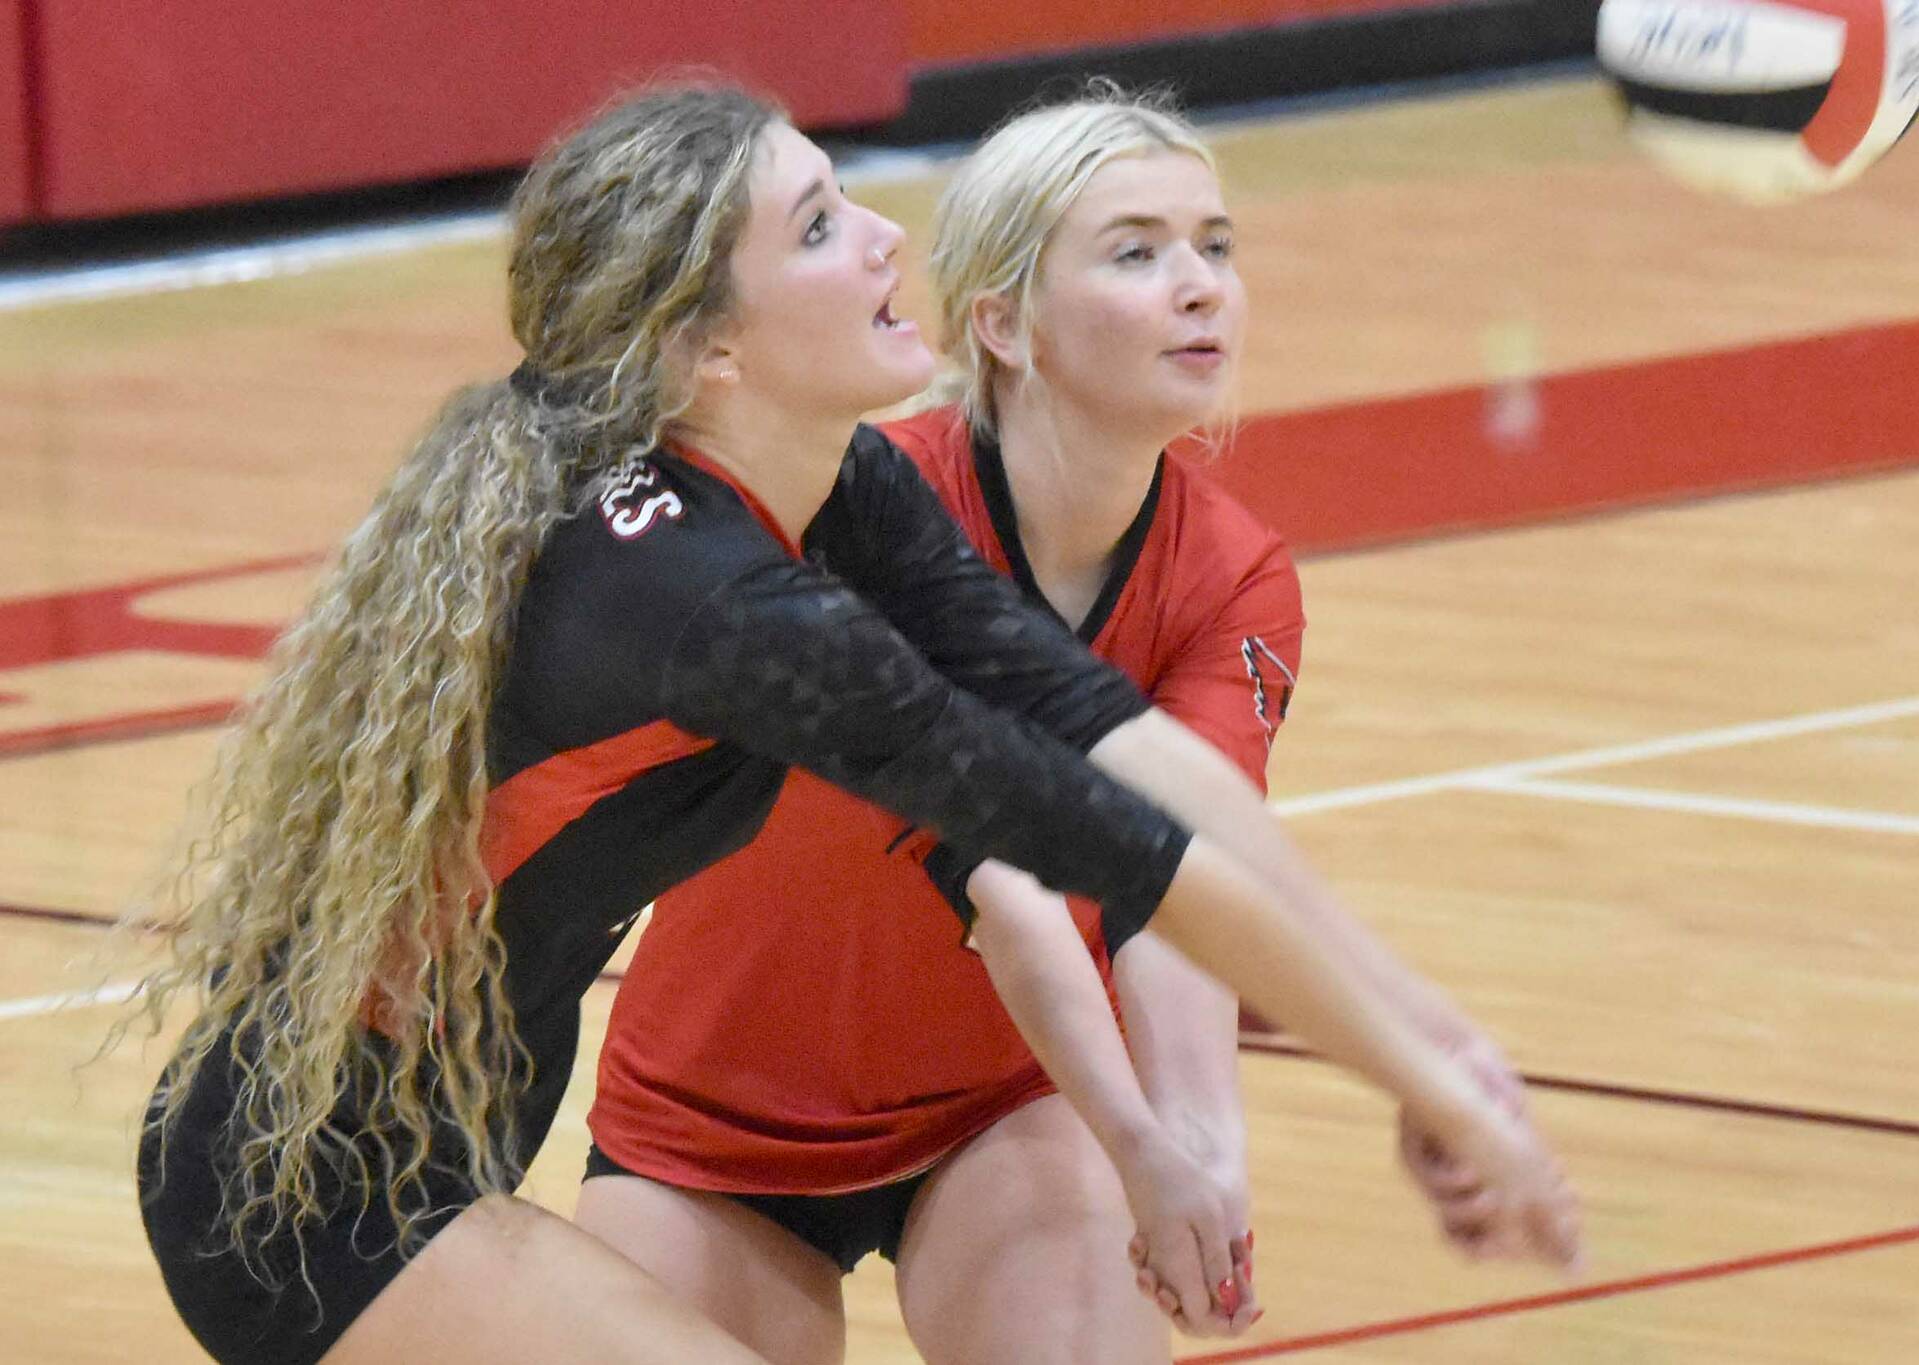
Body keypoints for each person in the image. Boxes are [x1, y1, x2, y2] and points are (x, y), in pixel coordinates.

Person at [124, 83, 1574, 1365]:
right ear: (712, 357)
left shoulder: (835, 492)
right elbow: (1095, 839)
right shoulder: (716, 606)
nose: (887, 239)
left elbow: (1103, 733)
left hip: (441, 1154)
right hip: (303, 1195)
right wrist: (1422, 1077)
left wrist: (1435, 1041)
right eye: (818, 228)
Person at [578, 89, 1566, 1365]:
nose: (1198, 286)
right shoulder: (866, 505)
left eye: (1214, 245)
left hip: (998, 1108)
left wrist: (1206, 1142)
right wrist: (1143, 1140)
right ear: (1002, 323)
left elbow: (1172, 876)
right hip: (709, 1127)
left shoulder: (1229, 575)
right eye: (1135, 251)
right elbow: (1007, 885)